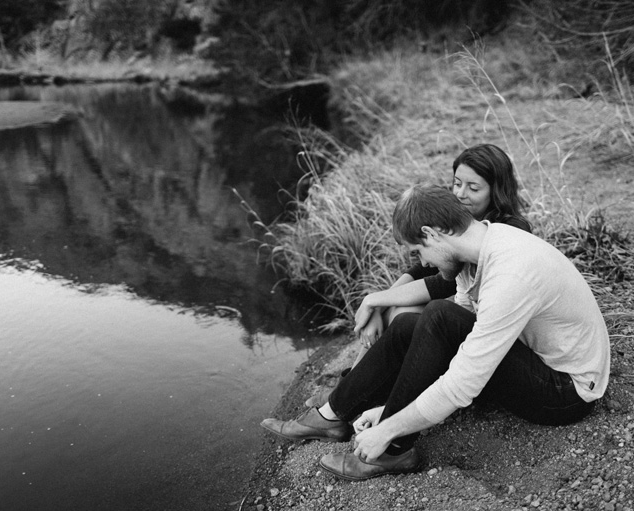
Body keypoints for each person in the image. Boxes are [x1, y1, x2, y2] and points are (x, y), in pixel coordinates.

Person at [261, 184, 610, 481]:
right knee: (409, 325)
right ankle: (332, 417)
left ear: (431, 233)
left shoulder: (510, 274)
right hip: (534, 360)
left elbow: (463, 381)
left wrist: (388, 427)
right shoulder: (475, 252)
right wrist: (387, 409)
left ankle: (392, 452)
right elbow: (446, 347)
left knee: (439, 315)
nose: (424, 263)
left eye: (419, 251)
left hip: (566, 392)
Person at [304, 143, 531, 408]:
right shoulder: (456, 218)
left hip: (484, 324)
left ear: (497, 189)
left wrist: (378, 300)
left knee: (402, 315)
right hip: (458, 307)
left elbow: (441, 282)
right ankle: (352, 386)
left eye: (474, 188)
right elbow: (419, 270)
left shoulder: (508, 229)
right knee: (395, 309)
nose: (460, 194)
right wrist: (380, 302)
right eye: (457, 183)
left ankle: (368, 395)